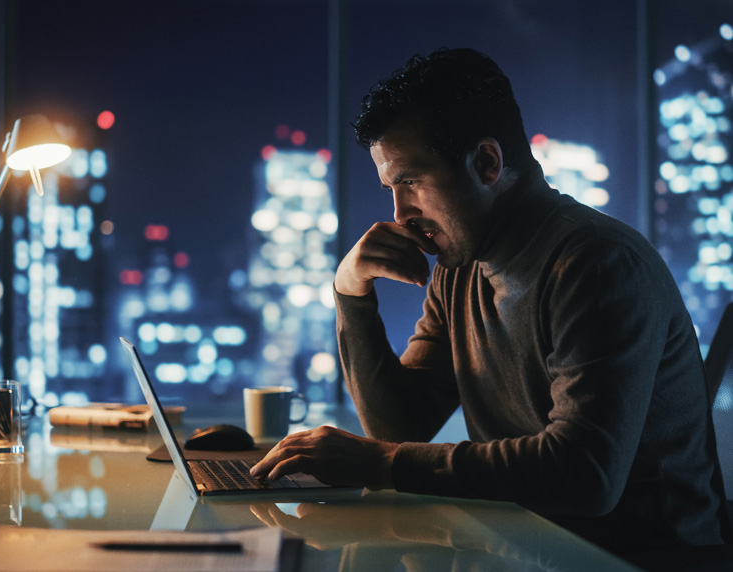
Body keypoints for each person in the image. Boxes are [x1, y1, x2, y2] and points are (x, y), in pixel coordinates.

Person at [250, 47, 732, 550]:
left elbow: (585, 475)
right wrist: (350, 292)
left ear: (486, 162)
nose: (399, 213)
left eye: (411, 181)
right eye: (392, 188)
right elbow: (400, 425)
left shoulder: (597, 265)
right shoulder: (460, 269)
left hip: (632, 560)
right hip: (524, 544)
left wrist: (382, 463)